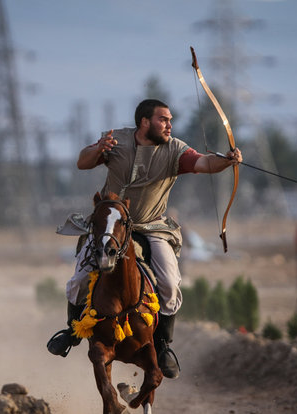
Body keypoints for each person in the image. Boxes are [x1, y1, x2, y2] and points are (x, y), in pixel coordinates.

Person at [47, 99, 242, 379]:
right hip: (111, 225)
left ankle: (162, 346)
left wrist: (226, 160)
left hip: (151, 227)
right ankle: (71, 332)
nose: (169, 125)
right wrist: (97, 149)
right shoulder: (116, 140)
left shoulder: (175, 149)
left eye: (170, 120)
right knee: (79, 280)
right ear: (144, 122)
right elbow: (82, 162)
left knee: (170, 284)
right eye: (164, 119)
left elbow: (203, 163)